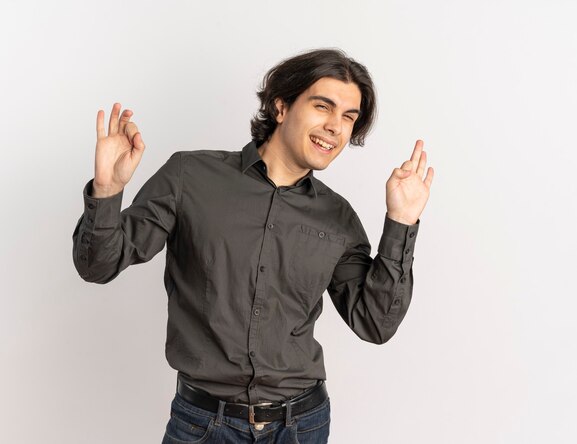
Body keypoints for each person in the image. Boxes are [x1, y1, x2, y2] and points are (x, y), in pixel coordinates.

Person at [72, 48, 434, 443]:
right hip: (202, 425)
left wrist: (402, 222)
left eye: (348, 117)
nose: (336, 126)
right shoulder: (189, 177)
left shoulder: (338, 217)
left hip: (302, 426)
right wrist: (107, 191)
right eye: (322, 106)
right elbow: (98, 266)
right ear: (281, 106)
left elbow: (375, 323)